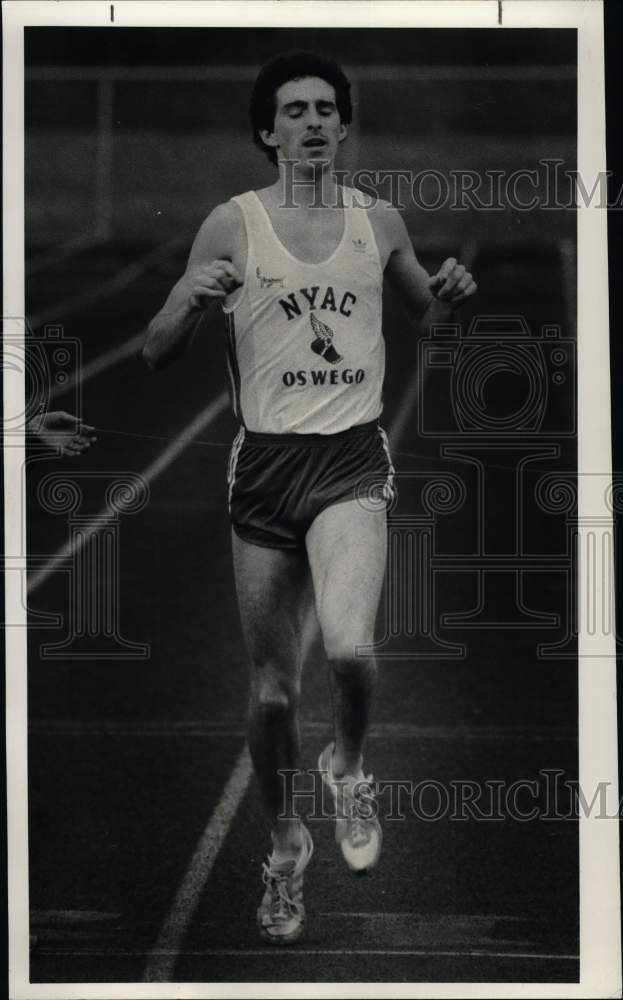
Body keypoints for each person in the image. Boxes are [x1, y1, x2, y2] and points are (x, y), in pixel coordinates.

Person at [143, 50, 476, 945]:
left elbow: (427, 314)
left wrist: (448, 290)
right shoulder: (230, 225)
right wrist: (184, 297)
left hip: (350, 464)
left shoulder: (379, 221)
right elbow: (154, 349)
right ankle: (285, 847)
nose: (314, 122)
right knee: (272, 695)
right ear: (267, 130)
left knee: (355, 648)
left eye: (327, 108)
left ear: (344, 124)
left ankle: (350, 767)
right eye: (295, 110)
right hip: (264, 475)